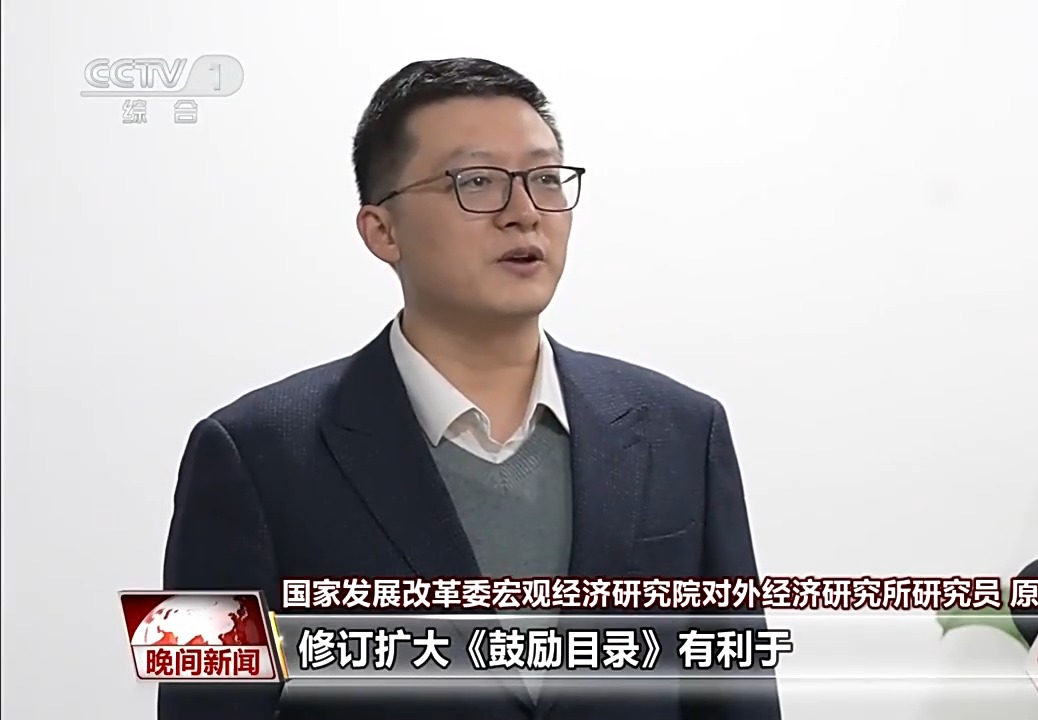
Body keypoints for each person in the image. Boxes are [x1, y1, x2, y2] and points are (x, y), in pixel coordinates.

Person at [159, 58, 778, 720]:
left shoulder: (684, 431)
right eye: (477, 182)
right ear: (382, 230)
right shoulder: (247, 453)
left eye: (545, 178)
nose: (524, 213)